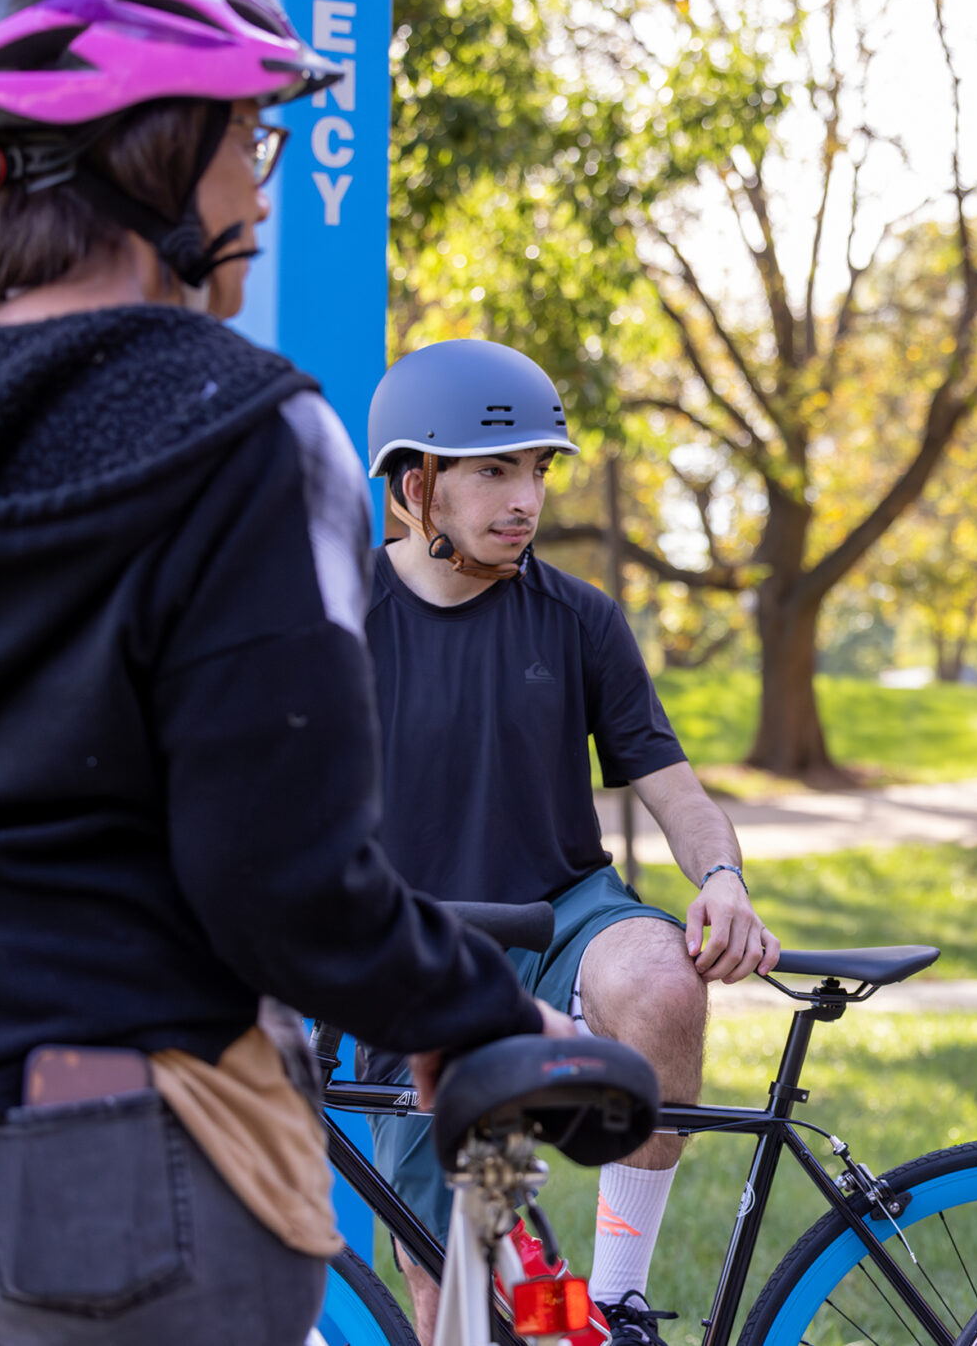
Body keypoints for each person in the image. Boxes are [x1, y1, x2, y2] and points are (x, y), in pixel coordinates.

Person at [0, 0, 563, 1343]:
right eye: (246, 138)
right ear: (156, 155)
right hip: (121, 1169)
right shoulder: (243, 433)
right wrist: (475, 1005)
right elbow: (282, 881)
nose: (263, 186)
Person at [359, 338, 782, 1346]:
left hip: (560, 919)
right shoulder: (335, 612)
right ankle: (540, 1309)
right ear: (419, 482)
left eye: (538, 470)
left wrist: (721, 876)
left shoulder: (579, 620)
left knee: (664, 977)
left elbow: (672, 786)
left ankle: (624, 1304)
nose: (525, 499)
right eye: (495, 469)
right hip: (415, 958)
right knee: (454, 1284)